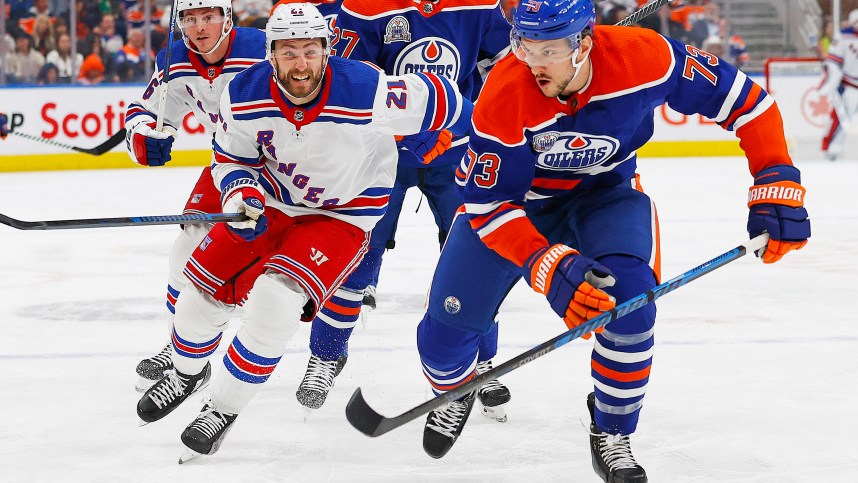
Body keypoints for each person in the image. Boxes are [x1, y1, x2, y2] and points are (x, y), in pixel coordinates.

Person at [412, 1, 810, 479]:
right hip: (517, 210)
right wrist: (546, 263)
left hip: (605, 197)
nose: (532, 61)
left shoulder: (645, 57)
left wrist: (775, 178)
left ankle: (612, 429)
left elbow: (748, 102)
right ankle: (456, 390)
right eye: (523, 44)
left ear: (583, 42)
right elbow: (487, 204)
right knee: (442, 343)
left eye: (549, 48)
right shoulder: (505, 89)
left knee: (632, 309)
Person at [135, 2, 472, 461]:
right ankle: (188, 371)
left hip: (342, 213)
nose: (300, 62)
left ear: (326, 50)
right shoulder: (244, 93)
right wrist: (242, 195)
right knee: (200, 297)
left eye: (310, 50)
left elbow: (451, 101)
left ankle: (222, 408)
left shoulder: (366, 88)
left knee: (275, 301)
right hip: (274, 201)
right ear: (270, 53)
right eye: (288, 51)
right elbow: (232, 158)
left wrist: (440, 132)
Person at [296, 0, 515, 423]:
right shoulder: (365, 6)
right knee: (355, 258)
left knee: (477, 262)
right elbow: (349, 80)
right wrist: (401, 129)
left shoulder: (480, 4)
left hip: (455, 155)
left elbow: (507, 67)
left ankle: (481, 361)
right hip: (380, 154)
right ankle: (326, 356)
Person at [124, 0, 267, 392]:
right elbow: (146, 109)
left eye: (209, 17)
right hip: (229, 163)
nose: (199, 27)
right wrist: (143, 137)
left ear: (227, 18)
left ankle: (327, 352)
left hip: (286, 168)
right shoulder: (175, 59)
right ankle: (179, 348)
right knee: (184, 250)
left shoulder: (262, 49)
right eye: (190, 19)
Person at [818, 9, 858, 161]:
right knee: (841, 118)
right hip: (848, 86)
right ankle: (830, 149)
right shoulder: (843, 36)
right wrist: (831, 83)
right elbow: (833, 62)